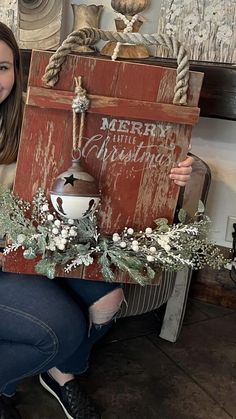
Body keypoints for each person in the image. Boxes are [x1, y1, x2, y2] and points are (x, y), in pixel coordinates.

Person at [0, 22, 194, 419]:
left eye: (1, 67)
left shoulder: (35, 115)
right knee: (63, 327)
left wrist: (166, 168)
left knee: (109, 299)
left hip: (38, 240)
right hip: (7, 256)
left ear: (16, 72)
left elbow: (109, 156)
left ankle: (60, 372)